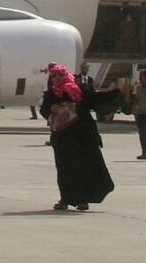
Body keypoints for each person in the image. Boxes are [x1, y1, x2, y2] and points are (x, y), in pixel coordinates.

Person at [39, 64, 116, 211]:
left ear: (65, 75)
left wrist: (115, 94)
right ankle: (65, 199)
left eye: (59, 75)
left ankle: (83, 199)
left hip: (82, 136)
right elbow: (44, 110)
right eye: (53, 76)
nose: (56, 79)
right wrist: (52, 109)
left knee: (83, 169)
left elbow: (94, 99)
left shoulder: (78, 89)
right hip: (63, 138)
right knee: (64, 169)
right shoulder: (51, 94)